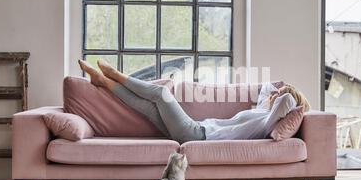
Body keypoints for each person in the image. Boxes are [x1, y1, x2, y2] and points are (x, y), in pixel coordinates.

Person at [78, 60, 311, 143]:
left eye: (278, 96)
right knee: (148, 107)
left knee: (161, 94)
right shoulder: (264, 110)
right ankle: (103, 81)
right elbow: (268, 88)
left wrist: (296, 99)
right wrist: (278, 89)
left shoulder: (268, 122)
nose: (274, 95)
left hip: (197, 135)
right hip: (195, 129)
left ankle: (116, 75)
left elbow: (288, 101)